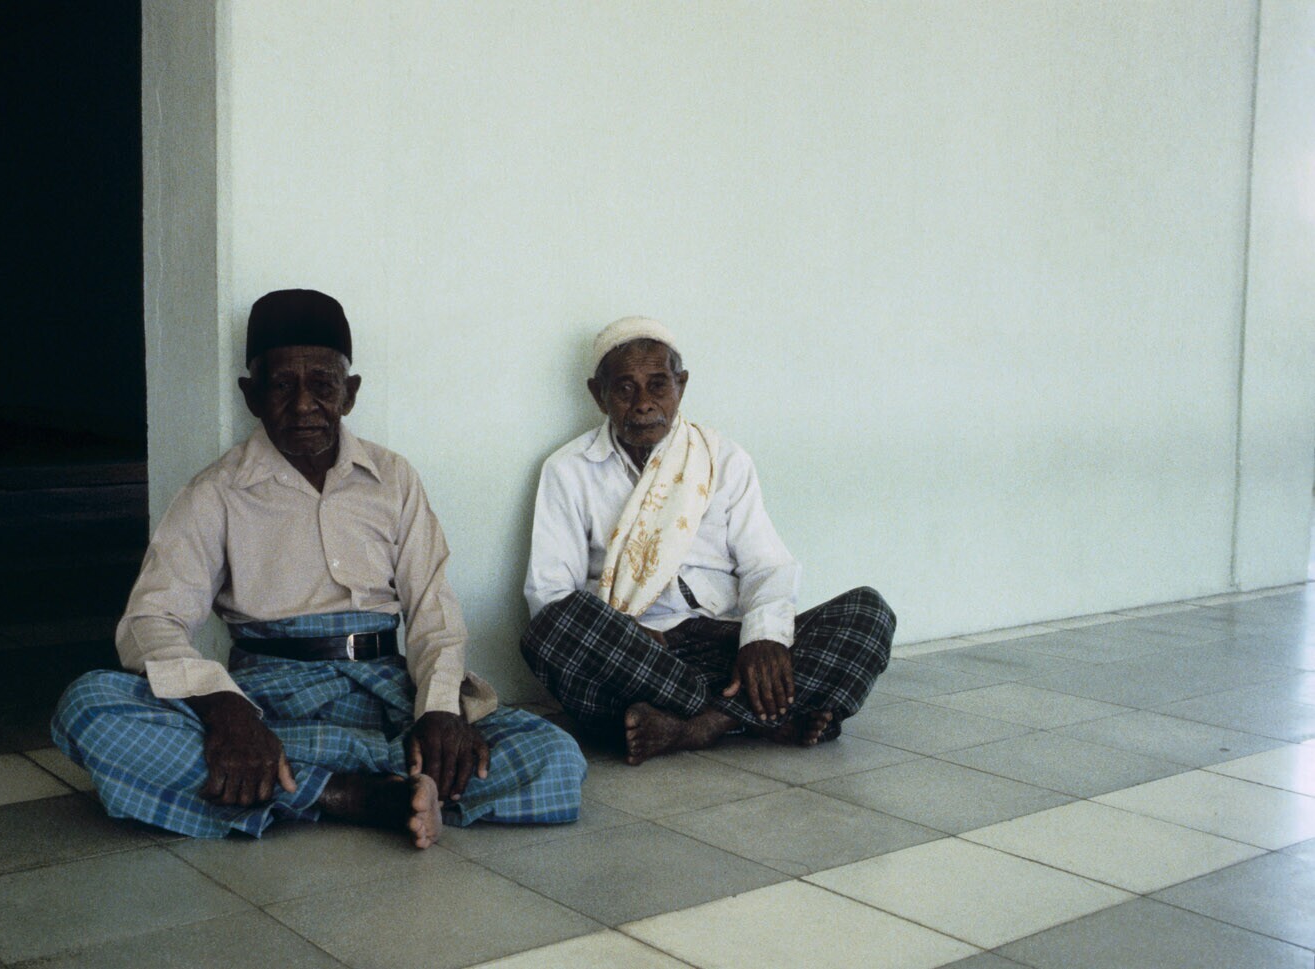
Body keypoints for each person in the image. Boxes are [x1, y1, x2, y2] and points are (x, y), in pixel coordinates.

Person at [54, 289, 584, 846]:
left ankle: (302, 786)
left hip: (387, 701)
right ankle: (358, 795)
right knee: (89, 708)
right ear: (252, 395)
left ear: (350, 394)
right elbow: (150, 621)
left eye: (324, 386)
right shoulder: (215, 493)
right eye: (282, 385)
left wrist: (439, 709)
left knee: (554, 756)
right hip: (269, 706)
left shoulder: (393, 478)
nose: (304, 405)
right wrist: (225, 709)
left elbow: (434, 610)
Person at [521, 316, 893, 765]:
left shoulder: (724, 459)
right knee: (551, 630)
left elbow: (767, 566)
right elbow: (550, 593)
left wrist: (763, 638)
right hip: (638, 655)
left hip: (725, 643)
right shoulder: (568, 469)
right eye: (625, 388)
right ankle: (756, 716)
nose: (643, 404)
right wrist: (630, 633)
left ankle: (698, 726)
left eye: (658, 385)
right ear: (598, 394)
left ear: (681, 385)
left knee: (868, 613)